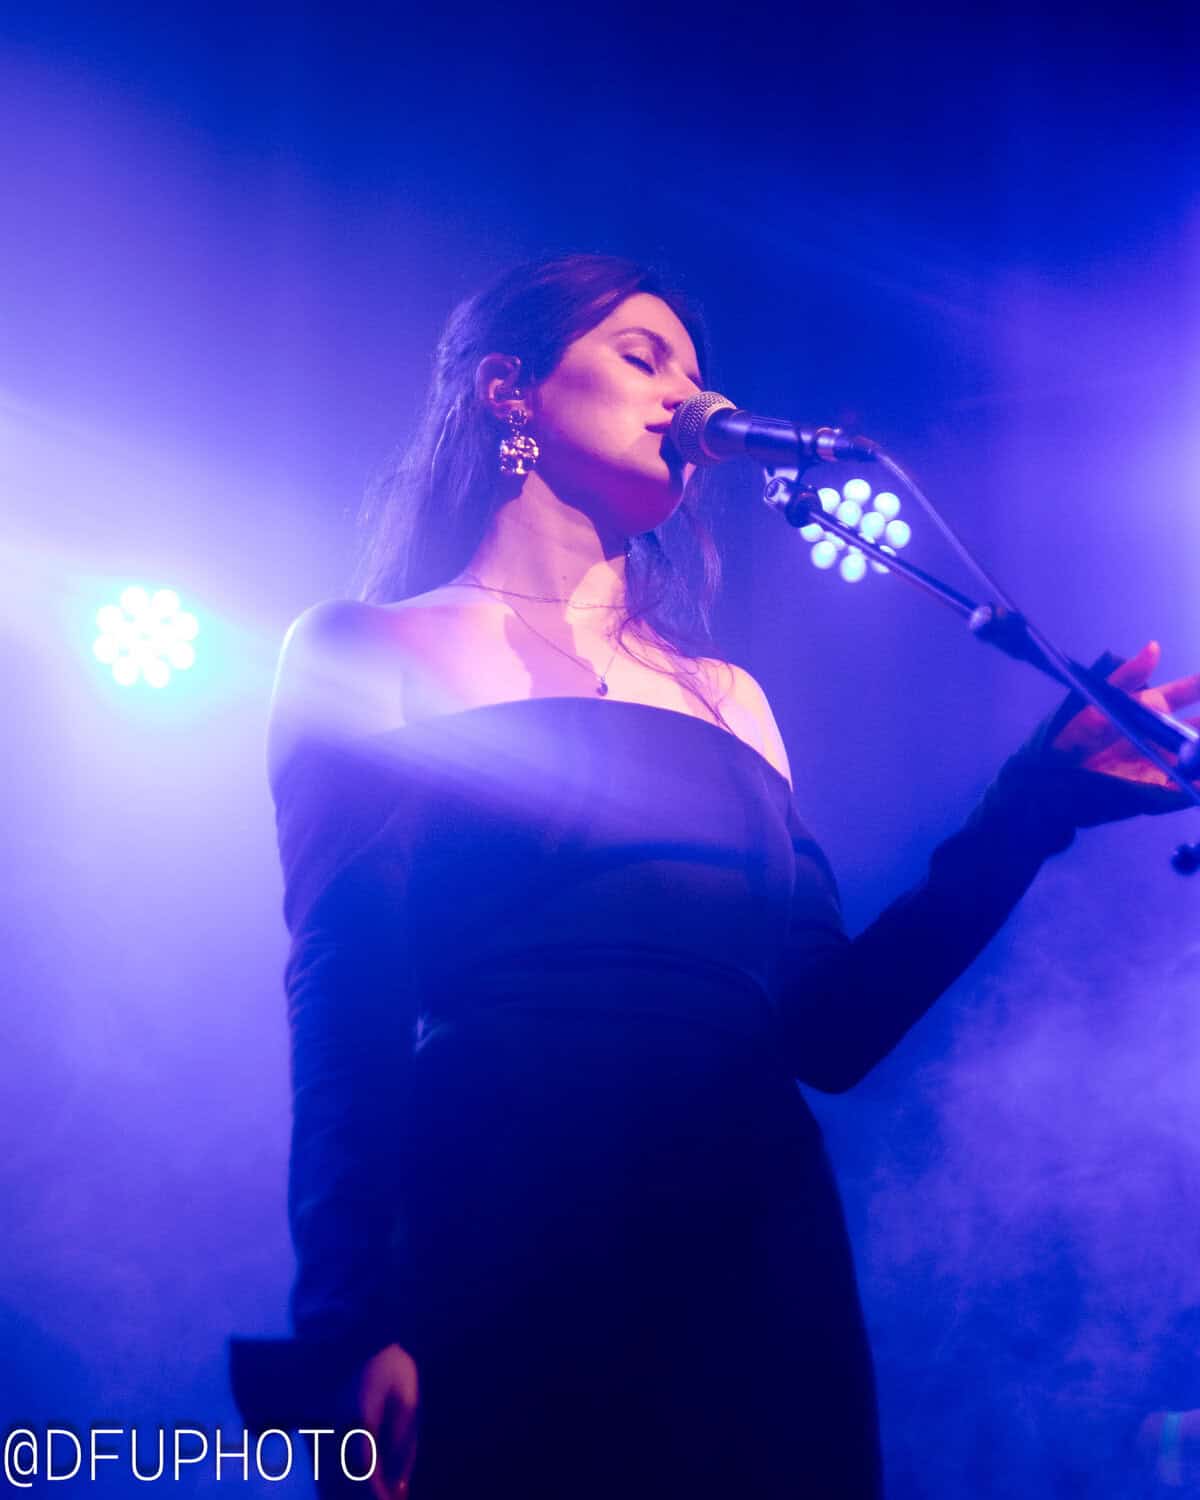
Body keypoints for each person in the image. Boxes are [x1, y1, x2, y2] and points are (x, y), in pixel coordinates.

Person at [229, 253, 1198, 1499]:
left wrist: (1032, 808)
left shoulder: (728, 696)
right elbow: (342, 994)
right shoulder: (367, 648)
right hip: (503, 1214)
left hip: (751, 1241)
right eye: (643, 358)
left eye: (695, 374)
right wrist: (347, 1316)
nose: (686, 396)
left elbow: (832, 1030)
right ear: (508, 390)